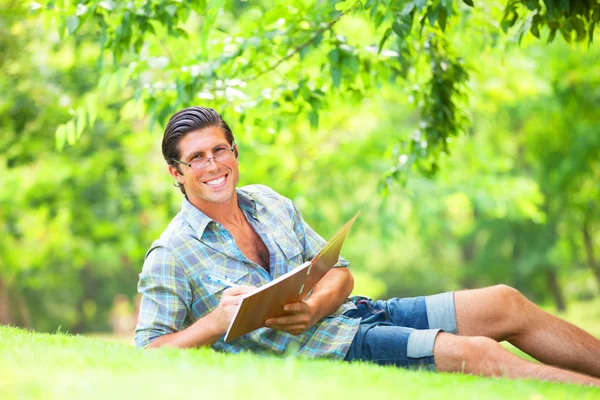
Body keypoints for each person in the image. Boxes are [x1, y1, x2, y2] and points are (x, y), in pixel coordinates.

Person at [135, 106, 600, 386]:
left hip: (356, 314)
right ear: (176, 173)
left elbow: (339, 273)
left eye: (219, 150)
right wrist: (217, 321)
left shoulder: (269, 203)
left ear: (234, 151)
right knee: (476, 352)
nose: (212, 165)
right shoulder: (171, 254)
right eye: (195, 158)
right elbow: (149, 354)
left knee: (505, 301)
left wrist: (315, 305)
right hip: (332, 349)